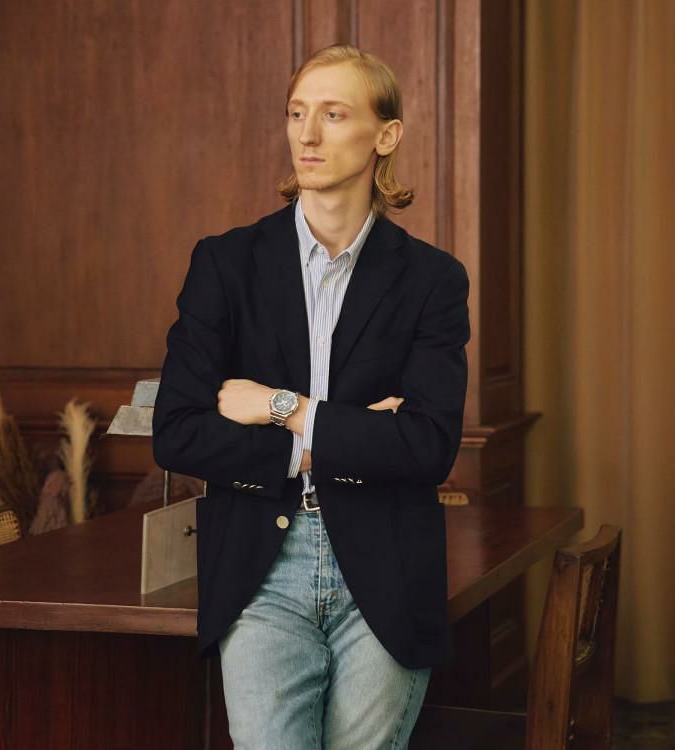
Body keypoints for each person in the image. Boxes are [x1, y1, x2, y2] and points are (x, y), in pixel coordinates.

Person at [153, 44, 470, 750]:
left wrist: (285, 409)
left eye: (334, 114)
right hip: (260, 566)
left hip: (386, 564)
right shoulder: (225, 263)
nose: (308, 134)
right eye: (298, 113)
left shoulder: (433, 280)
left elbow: (427, 447)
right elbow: (177, 431)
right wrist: (340, 439)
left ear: (385, 135)